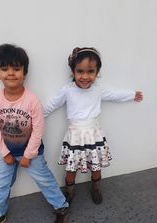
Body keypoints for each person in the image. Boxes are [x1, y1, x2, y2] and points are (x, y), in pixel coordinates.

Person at [0, 44, 69, 223]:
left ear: (24, 73)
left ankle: (61, 207)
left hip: (31, 153)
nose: (11, 73)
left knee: (45, 180)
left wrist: (28, 155)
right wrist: (5, 153)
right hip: (7, 152)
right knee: (2, 184)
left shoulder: (32, 100)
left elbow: (38, 129)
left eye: (16, 69)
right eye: (5, 69)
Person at [43, 47, 143, 205]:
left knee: (96, 167)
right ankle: (69, 191)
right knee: (71, 168)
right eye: (80, 71)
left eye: (90, 71)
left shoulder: (97, 90)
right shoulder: (67, 91)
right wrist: (35, 118)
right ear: (73, 72)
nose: (85, 76)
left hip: (94, 136)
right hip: (75, 137)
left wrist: (131, 95)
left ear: (97, 72)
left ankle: (95, 187)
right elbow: (51, 105)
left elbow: (114, 95)